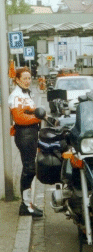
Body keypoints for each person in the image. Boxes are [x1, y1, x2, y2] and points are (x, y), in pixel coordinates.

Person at [8, 66, 43, 217]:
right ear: (17, 80)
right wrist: (38, 117)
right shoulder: (16, 96)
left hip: (31, 133)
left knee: (30, 168)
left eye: (29, 78)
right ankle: (25, 205)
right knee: (29, 169)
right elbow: (20, 118)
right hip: (25, 134)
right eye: (24, 78)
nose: (28, 81)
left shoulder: (26, 94)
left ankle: (27, 203)